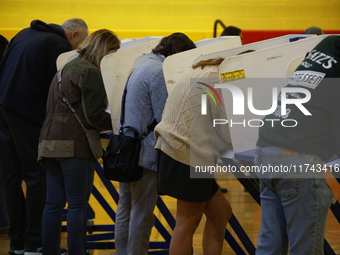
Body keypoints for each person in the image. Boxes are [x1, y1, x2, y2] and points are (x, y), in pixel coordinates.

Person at [0, 19, 88, 255]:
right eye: (79, 45)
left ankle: (17, 242)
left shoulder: (24, 32)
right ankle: (34, 243)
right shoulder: (56, 44)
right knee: (38, 174)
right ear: (74, 34)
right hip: (26, 112)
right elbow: (60, 88)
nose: (76, 51)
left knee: (11, 176)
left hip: (4, 108)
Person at [254, 35, 340, 254]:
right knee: (306, 249)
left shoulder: (326, 45)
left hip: (266, 149)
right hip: (296, 158)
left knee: (270, 244)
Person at [38, 29, 120, 255]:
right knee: (77, 206)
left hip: (48, 140)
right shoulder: (90, 71)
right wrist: (119, 122)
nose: (112, 57)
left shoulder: (65, 69)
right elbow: (94, 115)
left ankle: (50, 252)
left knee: (53, 205)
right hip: (74, 142)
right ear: (104, 49)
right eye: (112, 52)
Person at [114, 32, 196, 255]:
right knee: (142, 212)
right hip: (145, 153)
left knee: (125, 208)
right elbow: (164, 115)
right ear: (177, 53)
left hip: (127, 148)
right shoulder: (159, 71)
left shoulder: (140, 64)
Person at [154, 58, 233, 255]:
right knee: (187, 221)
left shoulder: (204, 69)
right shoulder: (215, 78)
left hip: (176, 147)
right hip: (187, 152)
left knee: (220, 213)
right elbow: (225, 129)